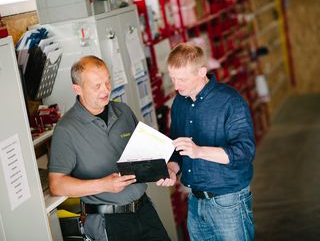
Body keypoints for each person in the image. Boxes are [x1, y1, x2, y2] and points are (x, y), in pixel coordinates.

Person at [48, 55, 170, 241]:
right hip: (108, 221)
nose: (106, 90)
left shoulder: (123, 111)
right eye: (97, 86)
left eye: (107, 81)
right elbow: (56, 185)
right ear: (77, 89)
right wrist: (103, 184)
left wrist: (162, 169)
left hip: (144, 210)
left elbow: (145, 154)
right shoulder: (66, 129)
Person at [157, 43, 256, 240]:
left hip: (229, 201)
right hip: (195, 201)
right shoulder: (179, 102)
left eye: (182, 79)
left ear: (202, 72)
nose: (176, 85)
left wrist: (199, 151)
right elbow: (177, 147)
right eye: (173, 78)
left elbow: (244, 152)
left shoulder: (230, 101)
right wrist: (172, 168)